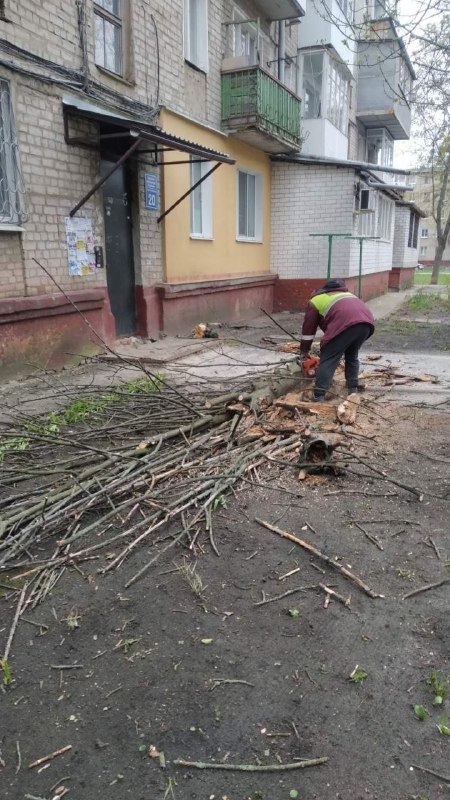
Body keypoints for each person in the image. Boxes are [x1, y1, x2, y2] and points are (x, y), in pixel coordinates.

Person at [299, 278, 375, 401]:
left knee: (328, 359)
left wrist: (304, 350)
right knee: (352, 355)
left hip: (345, 325)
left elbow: (308, 330)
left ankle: (319, 395)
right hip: (366, 324)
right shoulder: (348, 295)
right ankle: (352, 389)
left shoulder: (316, 300)